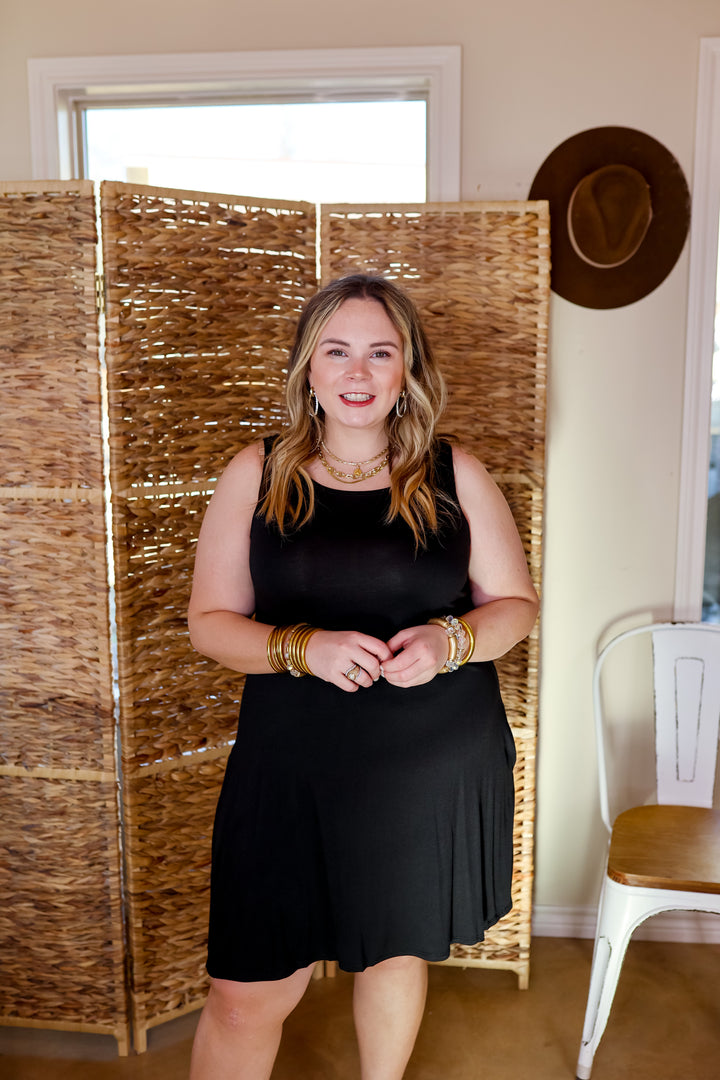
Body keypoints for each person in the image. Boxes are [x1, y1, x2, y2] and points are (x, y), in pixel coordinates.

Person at [187, 273, 539, 1080]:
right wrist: (301, 648)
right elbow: (210, 623)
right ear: (307, 368)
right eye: (336, 351)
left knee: (392, 951)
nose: (356, 372)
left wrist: (451, 640)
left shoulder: (454, 473)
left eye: (379, 353)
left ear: (407, 369)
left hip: (425, 762)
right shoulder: (257, 471)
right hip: (289, 765)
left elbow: (516, 606)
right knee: (243, 996)